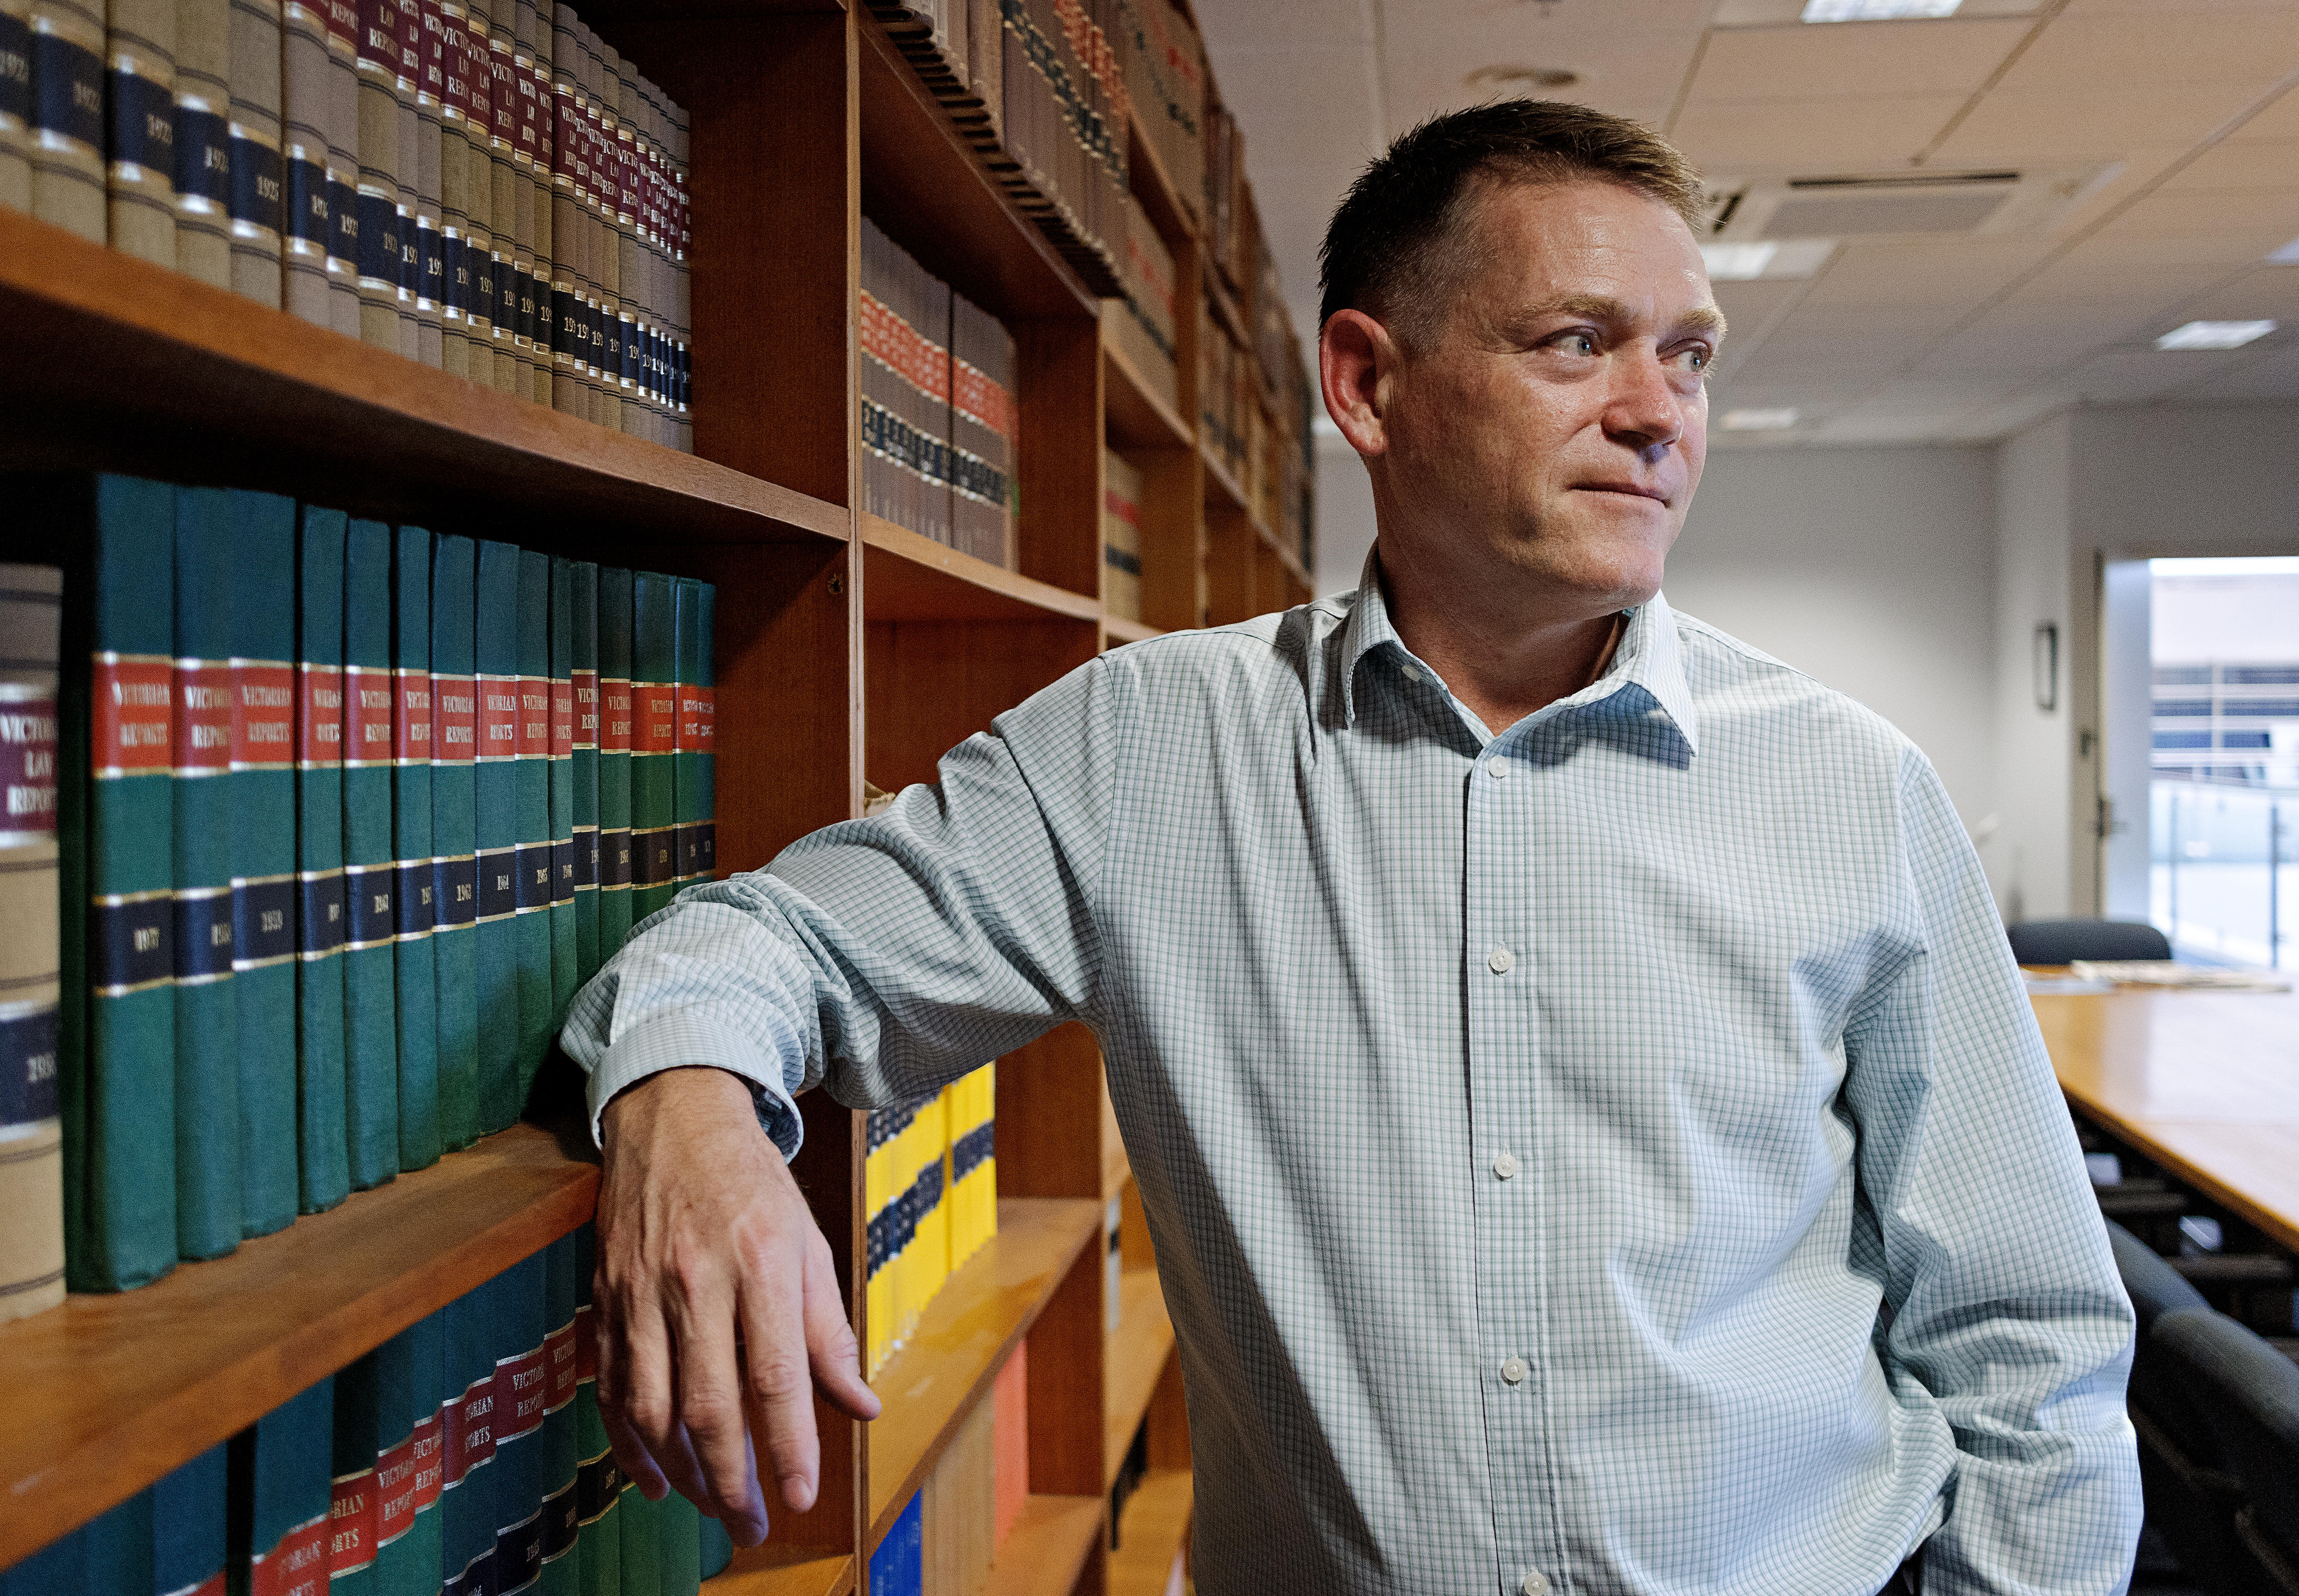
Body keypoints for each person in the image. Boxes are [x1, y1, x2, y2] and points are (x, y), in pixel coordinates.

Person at [562, 100, 2140, 1596]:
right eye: (1579, 343)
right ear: (1368, 385)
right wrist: (684, 1108)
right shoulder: (1146, 754)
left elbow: (2028, 1334)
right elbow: (773, 944)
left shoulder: (1851, 790)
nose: (1658, 413)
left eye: (1690, 357)